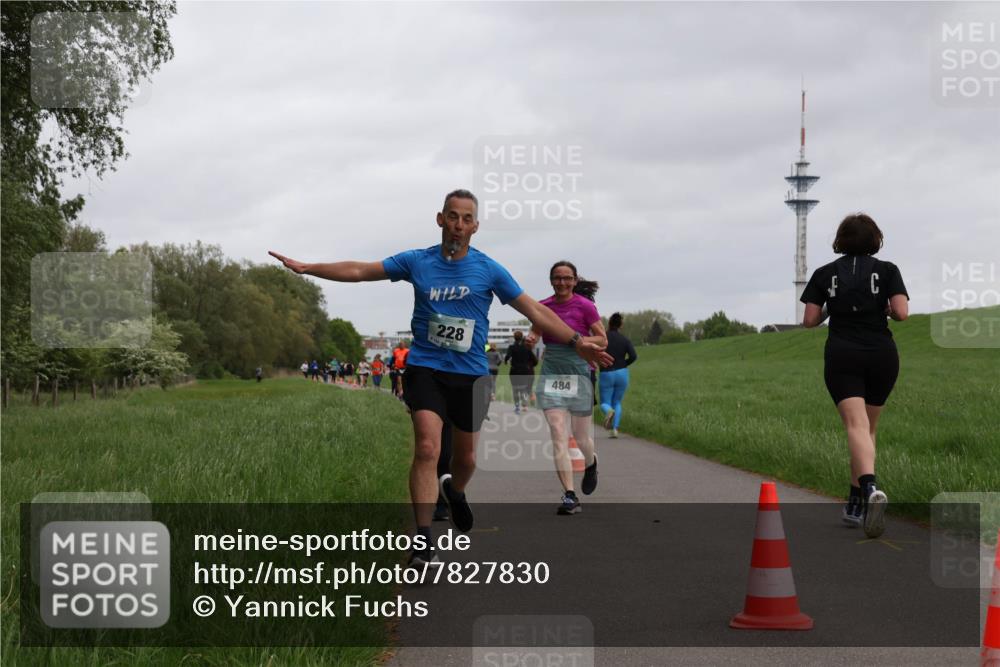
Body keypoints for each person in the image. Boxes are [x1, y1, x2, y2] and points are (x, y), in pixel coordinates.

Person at [270, 189, 611, 568]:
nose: (458, 225)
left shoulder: (489, 270)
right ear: (440, 219)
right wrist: (308, 268)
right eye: (452, 216)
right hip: (426, 369)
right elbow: (361, 271)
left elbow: (533, 309)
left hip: (470, 376)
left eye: (466, 219)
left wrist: (577, 341)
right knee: (429, 450)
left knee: (465, 458)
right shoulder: (417, 261)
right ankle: (422, 543)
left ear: (475, 227)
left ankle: (457, 492)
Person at [800, 213, 908, 539]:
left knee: (855, 427)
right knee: (867, 429)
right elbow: (901, 313)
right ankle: (855, 505)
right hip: (882, 354)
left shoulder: (824, 274)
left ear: (841, 240)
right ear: (875, 239)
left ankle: (870, 488)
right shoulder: (888, 270)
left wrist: (833, 306)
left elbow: (809, 320)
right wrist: (885, 308)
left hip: (843, 354)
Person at [526, 261, 606, 516]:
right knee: (558, 433)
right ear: (551, 280)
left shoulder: (585, 306)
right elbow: (537, 330)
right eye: (557, 278)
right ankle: (570, 495)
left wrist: (574, 338)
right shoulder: (543, 306)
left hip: (580, 371)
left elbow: (602, 339)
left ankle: (591, 463)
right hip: (552, 371)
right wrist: (532, 338)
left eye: (567, 278)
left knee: (580, 436)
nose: (562, 283)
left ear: (574, 280)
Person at [599, 312, 638, 438]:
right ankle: (615, 430)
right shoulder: (625, 340)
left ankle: (609, 412)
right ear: (620, 325)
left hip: (606, 372)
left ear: (609, 323)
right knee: (617, 402)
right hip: (622, 373)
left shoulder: (602, 338)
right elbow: (633, 356)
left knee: (605, 402)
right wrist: (623, 364)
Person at [504, 330, 537, 413]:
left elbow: (507, 356)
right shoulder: (526, 348)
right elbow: (535, 360)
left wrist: (506, 361)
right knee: (524, 389)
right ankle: (525, 405)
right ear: (522, 337)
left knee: (515, 389)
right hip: (525, 371)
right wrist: (530, 365)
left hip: (514, 371)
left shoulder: (511, 347)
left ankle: (517, 406)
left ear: (514, 338)